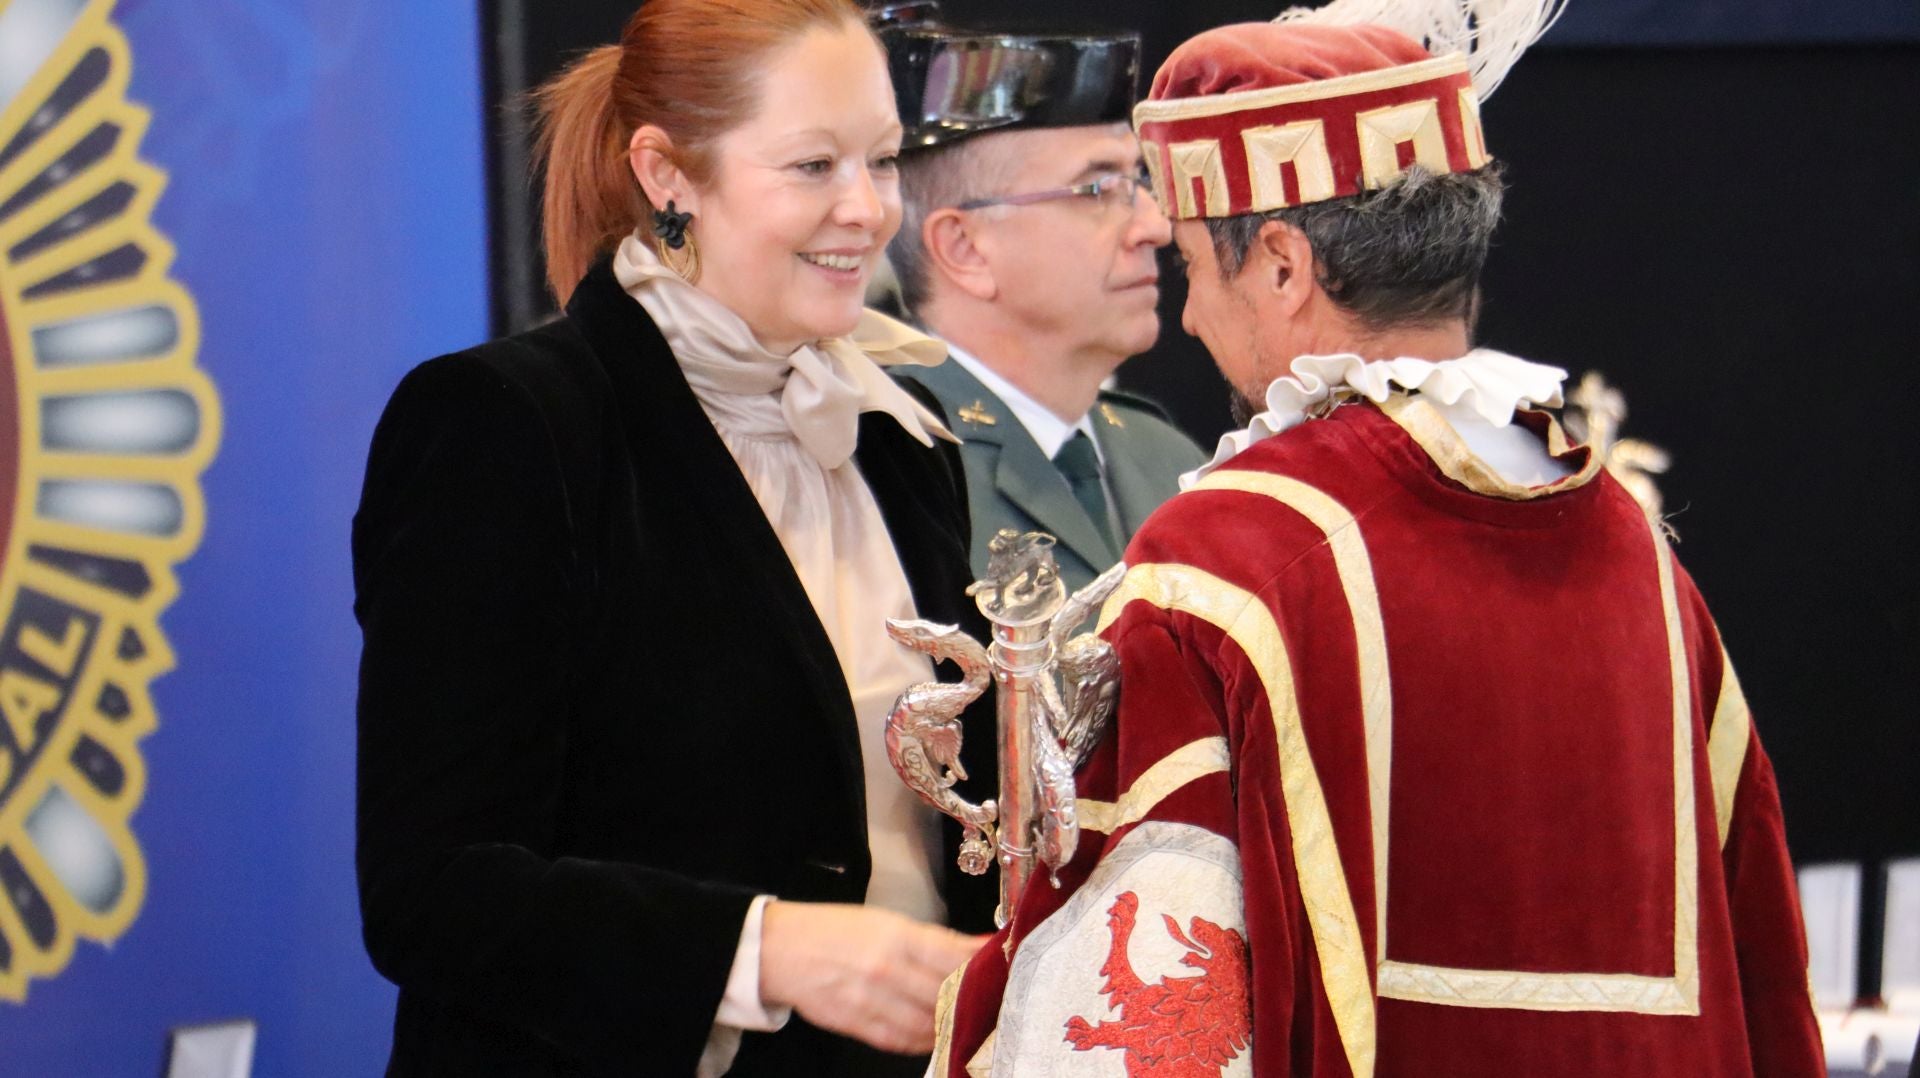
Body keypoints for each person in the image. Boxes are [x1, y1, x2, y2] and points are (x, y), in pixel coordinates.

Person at [926, 9, 1826, 1077]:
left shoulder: (1228, 560)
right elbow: (1758, 953)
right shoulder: (1629, 545)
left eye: (1191, 266)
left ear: (1280, 264)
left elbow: (1129, 1013)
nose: (1195, 319)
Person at [351, 2, 989, 1074]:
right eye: (812, 165)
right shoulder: (507, 425)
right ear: (667, 174)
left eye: (883, 160)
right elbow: (434, 889)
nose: (867, 209)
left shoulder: (904, 444)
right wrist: (764, 948)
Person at [879, 12, 1207, 593]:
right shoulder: (897, 468)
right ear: (966, 248)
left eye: (1140, 182)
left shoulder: (1167, 457)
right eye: (1099, 189)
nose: (1154, 227)